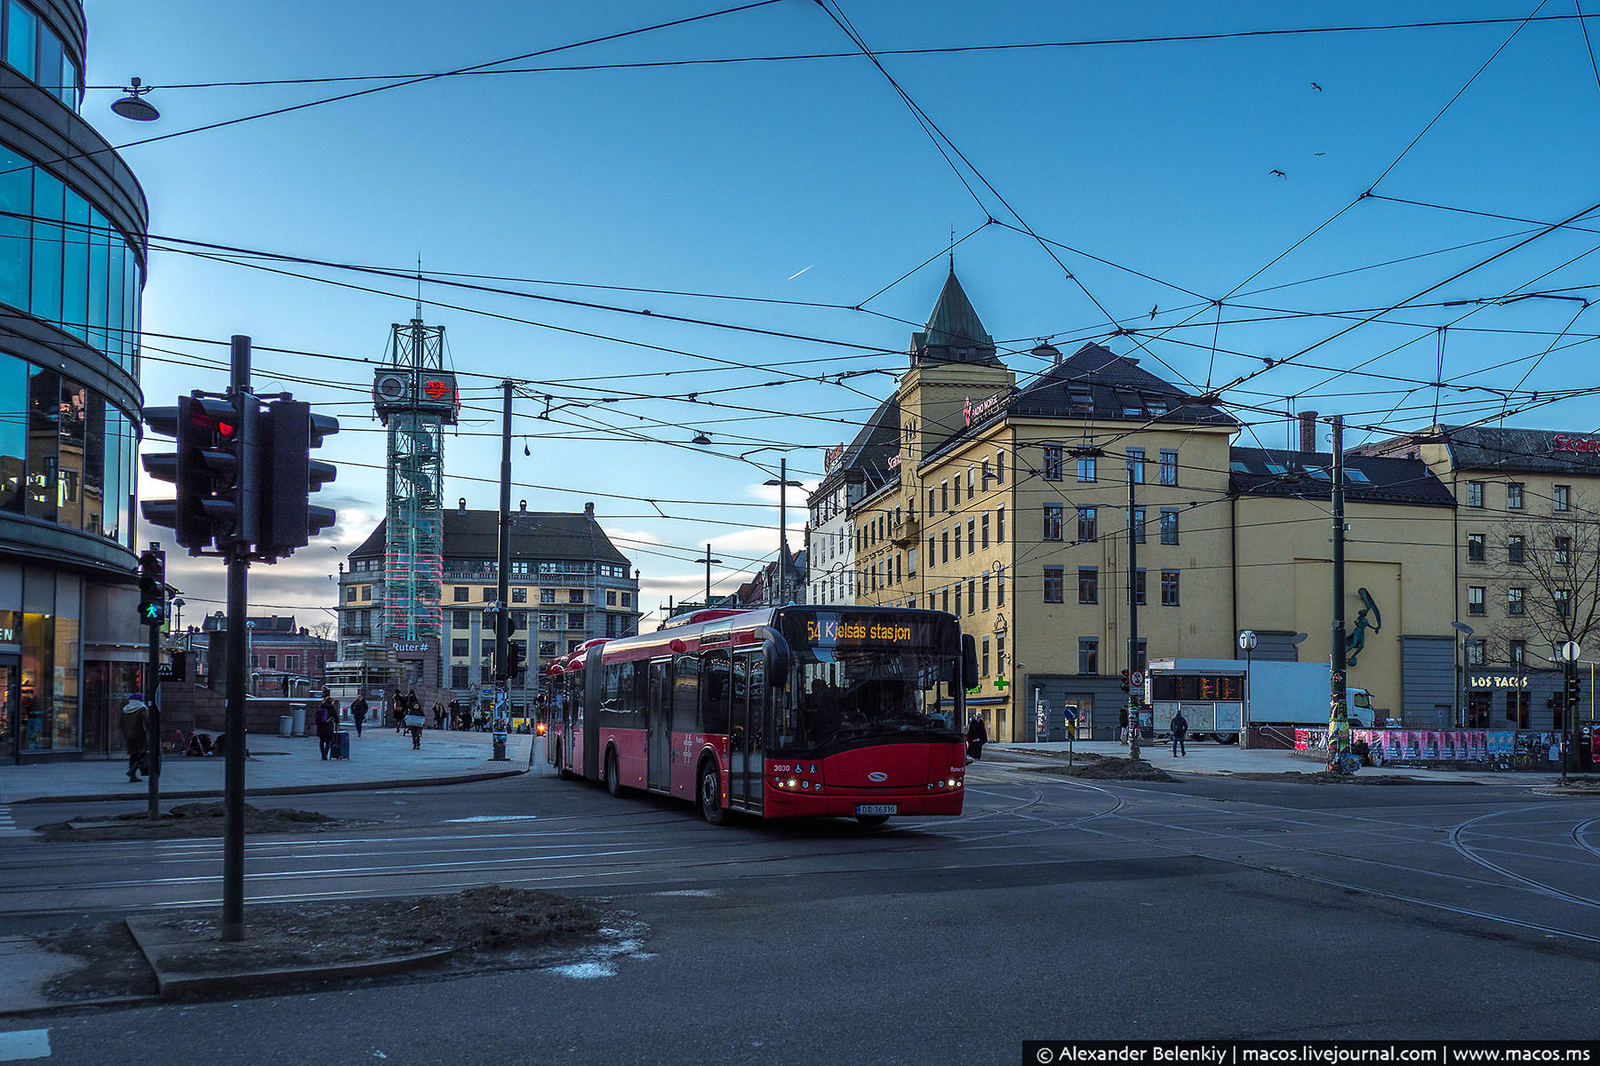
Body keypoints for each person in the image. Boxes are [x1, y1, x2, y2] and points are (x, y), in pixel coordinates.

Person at [120, 692, 149, 783]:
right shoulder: (142, 709)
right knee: (143, 753)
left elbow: (121, 723)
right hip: (140, 734)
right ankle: (132, 770)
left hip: (128, 735)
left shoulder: (125, 710)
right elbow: (147, 722)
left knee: (133, 754)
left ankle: (132, 775)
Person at [316, 689, 337, 760]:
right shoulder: (331, 708)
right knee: (328, 741)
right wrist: (336, 724)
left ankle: (322, 754)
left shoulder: (321, 706)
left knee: (321, 741)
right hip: (328, 726)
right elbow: (336, 717)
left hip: (321, 726)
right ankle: (325, 754)